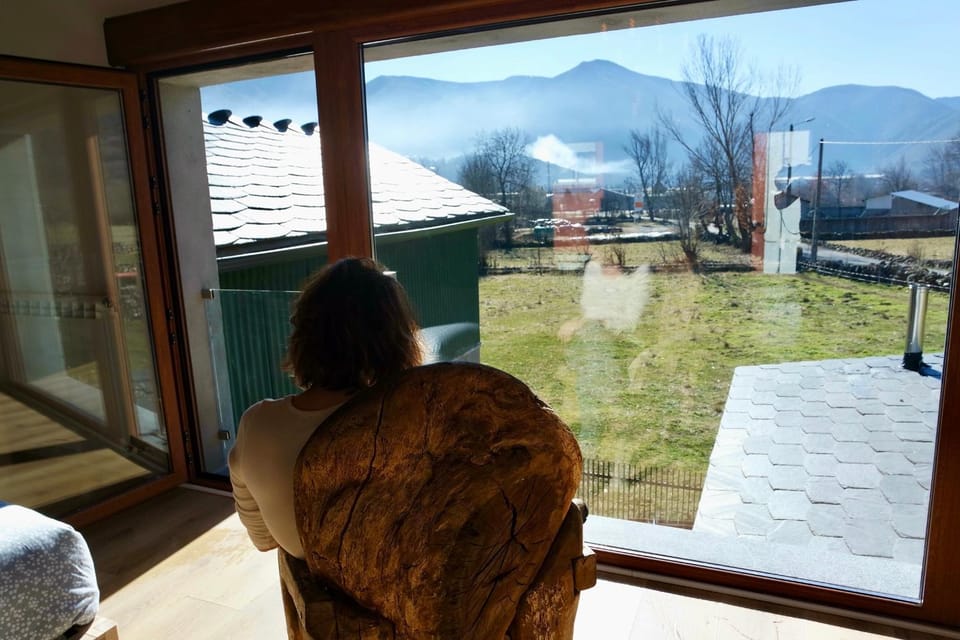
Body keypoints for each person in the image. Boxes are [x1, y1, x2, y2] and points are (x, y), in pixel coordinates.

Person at [228, 257, 423, 559]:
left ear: (303, 335)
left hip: (318, 579)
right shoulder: (406, 422)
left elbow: (263, 540)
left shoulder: (257, 424)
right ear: (396, 340)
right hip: (399, 588)